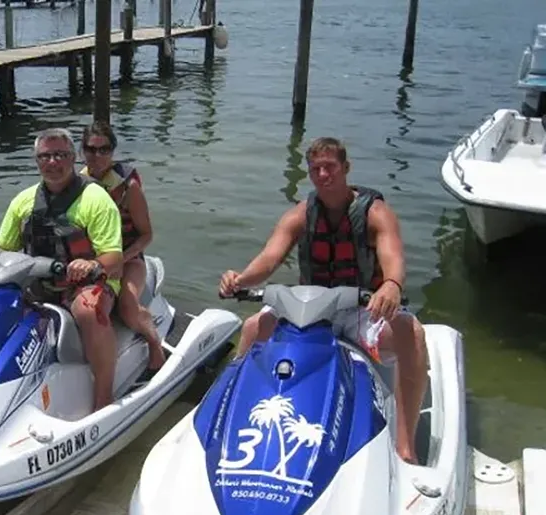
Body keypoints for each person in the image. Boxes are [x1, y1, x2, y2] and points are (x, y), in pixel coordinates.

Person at [217, 136, 429, 465]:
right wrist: (240, 279)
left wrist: (390, 285)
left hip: (361, 308)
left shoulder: (376, 213)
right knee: (252, 328)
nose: (323, 174)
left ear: (346, 168)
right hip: (310, 308)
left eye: (329, 167)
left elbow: (394, 258)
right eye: (315, 169)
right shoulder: (301, 214)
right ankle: (228, 417)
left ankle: (405, 445)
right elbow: (270, 258)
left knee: (410, 332)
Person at [0, 128, 124, 412]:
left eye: (61, 155)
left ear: (73, 157)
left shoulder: (95, 199)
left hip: (88, 283)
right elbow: (3, 248)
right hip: (38, 280)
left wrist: (91, 265)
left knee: (89, 310)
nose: (53, 162)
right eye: (45, 156)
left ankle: (104, 396)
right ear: (37, 161)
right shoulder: (23, 201)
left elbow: (114, 259)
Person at [80, 121, 165, 374]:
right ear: (82, 151)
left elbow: (146, 234)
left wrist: (121, 260)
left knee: (127, 306)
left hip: (128, 258)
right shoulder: (76, 184)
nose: (97, 156)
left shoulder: (128, 187)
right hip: (91, 260)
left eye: (103, 150)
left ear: (113, 151)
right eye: (90, 149)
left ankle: (153, 341)